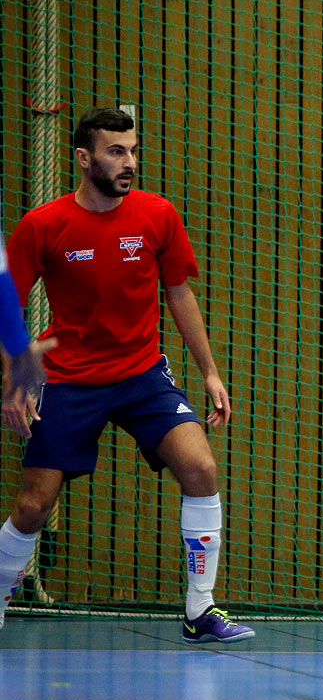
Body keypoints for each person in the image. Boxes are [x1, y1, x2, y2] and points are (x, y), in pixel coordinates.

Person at [0, 106, 253, 643]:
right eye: (117, 151)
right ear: (83, 158)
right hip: (67, 379)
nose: (129, 161)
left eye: (133, 150)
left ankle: (199, 611)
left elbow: (179, 293)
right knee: (33, 505)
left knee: (201, 468)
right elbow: (7, 308)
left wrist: (210, 373)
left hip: (142, 376)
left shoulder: (157, 215)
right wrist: (14, 384)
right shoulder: (43, 226)